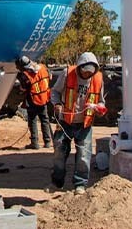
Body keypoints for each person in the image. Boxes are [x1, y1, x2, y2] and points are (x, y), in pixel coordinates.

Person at [47, 52, 107, 194]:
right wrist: (56, 104)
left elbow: (101, 102)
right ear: (79, 67)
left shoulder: (98, 79)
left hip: (84, 124)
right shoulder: (67, 74)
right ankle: (57, 182)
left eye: (89, 73)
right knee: (59, 153)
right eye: (84, 72)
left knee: (83, 156)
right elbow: (54, 92)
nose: (87, 75)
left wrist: (99, 109)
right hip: (65, 122)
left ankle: (80, 184)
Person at [15, 56, 52, 149]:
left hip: (33, 100)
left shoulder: (26, 75)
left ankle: (35, 143)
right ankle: (47, 142)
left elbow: (22, 89)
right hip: (44, 97)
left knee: (33, 121)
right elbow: (50, 76)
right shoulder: (42, 67)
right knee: (45, 120)